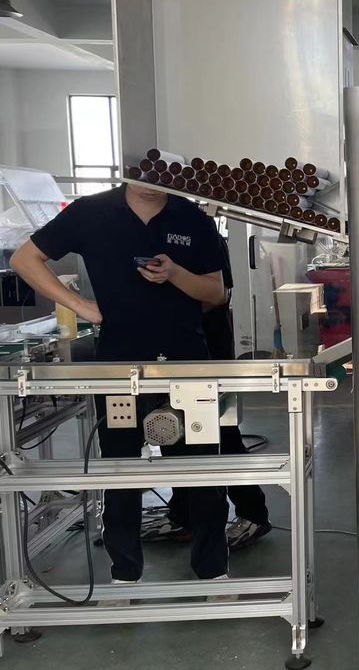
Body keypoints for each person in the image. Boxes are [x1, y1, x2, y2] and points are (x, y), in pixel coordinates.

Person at [11, 181, 230, 592]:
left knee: (202, 472)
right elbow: (25, 259)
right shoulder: (91, 212)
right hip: (118, 364)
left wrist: (175, 273)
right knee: (119, 470)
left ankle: (213, 571)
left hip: (186, 361)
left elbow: (216, 292)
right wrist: (83, 307)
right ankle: (125, 575)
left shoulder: (191, 217)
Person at [141, 228, 273, 550]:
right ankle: (184, 514)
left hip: (206, 345)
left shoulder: (197, 229)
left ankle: (252, 513)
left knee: (220, 433)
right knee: (173, 433)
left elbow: (217, 294)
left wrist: (167, 299)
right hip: (167, 347)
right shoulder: (147, 233)